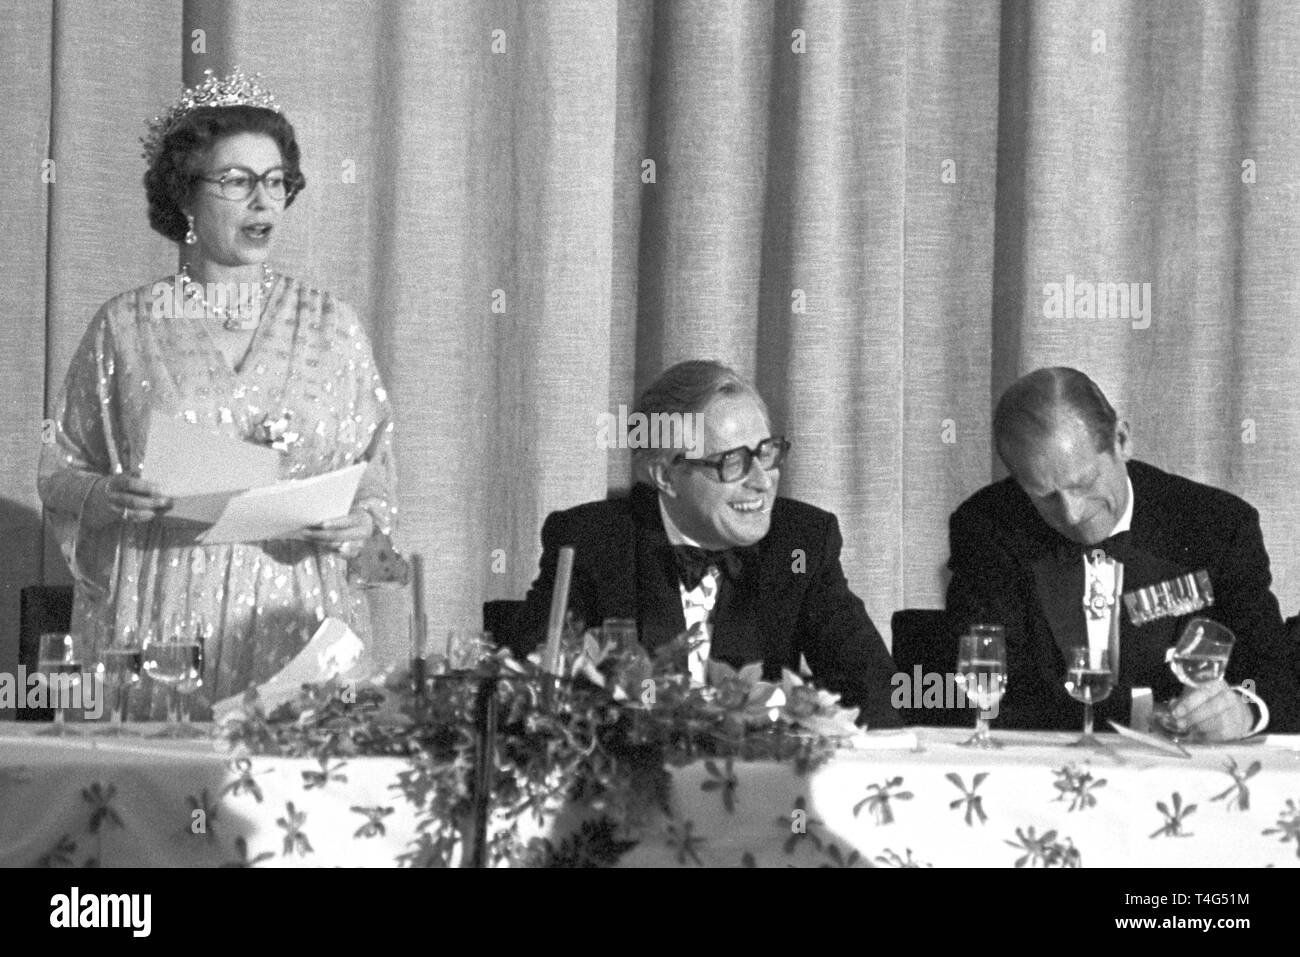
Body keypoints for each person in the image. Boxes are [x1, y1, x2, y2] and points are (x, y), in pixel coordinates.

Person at [37, 69, 398, 708]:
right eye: (236, 181)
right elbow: (61, 471)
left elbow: (375, 480)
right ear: (185, 199)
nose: (263, 201)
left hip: (299, 619)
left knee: (284, 803)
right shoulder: (127, 325)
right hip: (162, 614)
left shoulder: (333, 326)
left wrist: (358, 525)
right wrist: (105, 493)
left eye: (276, 181)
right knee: (160, 794)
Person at [502, 359, 901, 729]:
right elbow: (530, 688)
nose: (762, 480)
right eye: (733, 462)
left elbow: (874, 689)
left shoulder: (801, 543)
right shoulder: (591, 543)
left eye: (767, 453)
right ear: (665, 476)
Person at [946, 366, 1299, 738]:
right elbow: (985, 689)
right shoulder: (986, 526)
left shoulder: (1216, 525)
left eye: (1083, 483)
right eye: (1045, 496)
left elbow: (1274, 676)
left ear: (1122, 440)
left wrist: (1243, 710)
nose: (1072, 513)